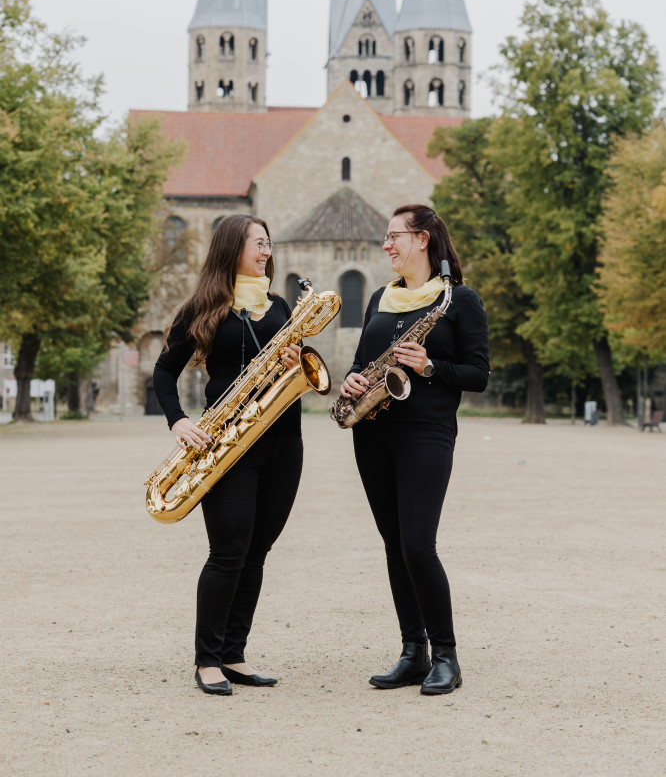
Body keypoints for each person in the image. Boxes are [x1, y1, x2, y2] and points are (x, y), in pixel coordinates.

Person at [339, 204, 489, 695]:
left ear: (422, 239)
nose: (386, 245)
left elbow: (478, 375)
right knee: (394, 545)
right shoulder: (380, 297)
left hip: (426, 432)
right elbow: (362, 360)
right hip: (372, 433)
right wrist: (352, 380)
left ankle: (446, 656)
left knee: (418, 545)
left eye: (394, 236)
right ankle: (413, 653)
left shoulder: (458, 300)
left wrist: (429, 366)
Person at [153, 214, 303, 696]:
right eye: (259, 243)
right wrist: (178, 420)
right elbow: (164, 372)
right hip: (227, 444)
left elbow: (297, 368)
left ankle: (234, 655)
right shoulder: (202, 308)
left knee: (257, 552)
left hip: (284, 442)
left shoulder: (281, 306)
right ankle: (207, 660)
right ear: (232, 247)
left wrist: (295, 359)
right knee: (228, 551)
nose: (267, 251)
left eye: (268, 243)